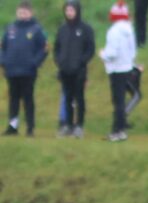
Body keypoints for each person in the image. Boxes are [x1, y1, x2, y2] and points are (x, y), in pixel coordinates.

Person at [2, 1, 48, 137]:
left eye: (25, 12)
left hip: (28, 71)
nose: (22, 14)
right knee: (13, 99)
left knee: (28, 100)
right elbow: (2, 47)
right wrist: (3, 62)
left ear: (30, 13)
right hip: (11, 70)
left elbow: (44, 49)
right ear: (17, 12)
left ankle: (30, 128)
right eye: (20, 12)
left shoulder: (36, 29)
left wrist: (35, 62)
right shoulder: (10, 28)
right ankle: (13, 126)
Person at [53, 1, 93, 138]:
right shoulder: (62, 29)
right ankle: (68, 125)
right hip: (65, 70)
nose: (69, 13)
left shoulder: (85, 29)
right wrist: (59, 61)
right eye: (67, 10)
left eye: (71, 10)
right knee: (67, 98)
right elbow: (57, 48)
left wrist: (82, 61)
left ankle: (79, 126)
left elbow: (90, 49)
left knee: (79, 98)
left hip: (79, 70)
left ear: (77, 11)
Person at [99, 1, 135, 142]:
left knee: (117, 101)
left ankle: (118, 130)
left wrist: (102, 54)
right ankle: (121, 129)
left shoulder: (114, 31)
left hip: (115, 68)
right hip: (126, 67)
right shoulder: (129, 30)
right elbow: (133, 51)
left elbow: (112, 53)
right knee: (121, 99)